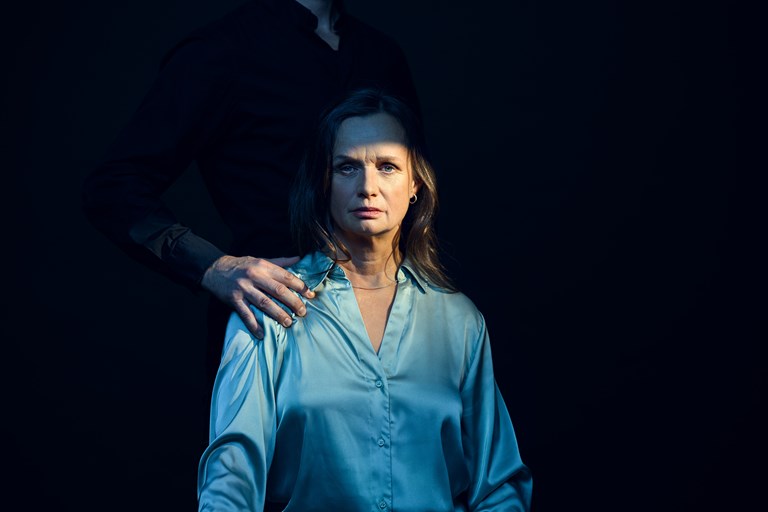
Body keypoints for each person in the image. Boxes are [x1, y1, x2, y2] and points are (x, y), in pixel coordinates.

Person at [197, 88, 533, 511]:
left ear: (415, 182)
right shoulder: (269, 304)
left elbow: (499, 486)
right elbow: (231, 477)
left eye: (387, 166)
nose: (368, 187)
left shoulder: (459, 321)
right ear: (323, 183)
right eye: (347, 167)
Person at [81, 0, 422, 387]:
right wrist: (212, 266)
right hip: (276, 325)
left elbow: (414, 181)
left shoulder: (382, 54)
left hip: (395, 324)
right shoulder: (221, 51)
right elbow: (113, 187)